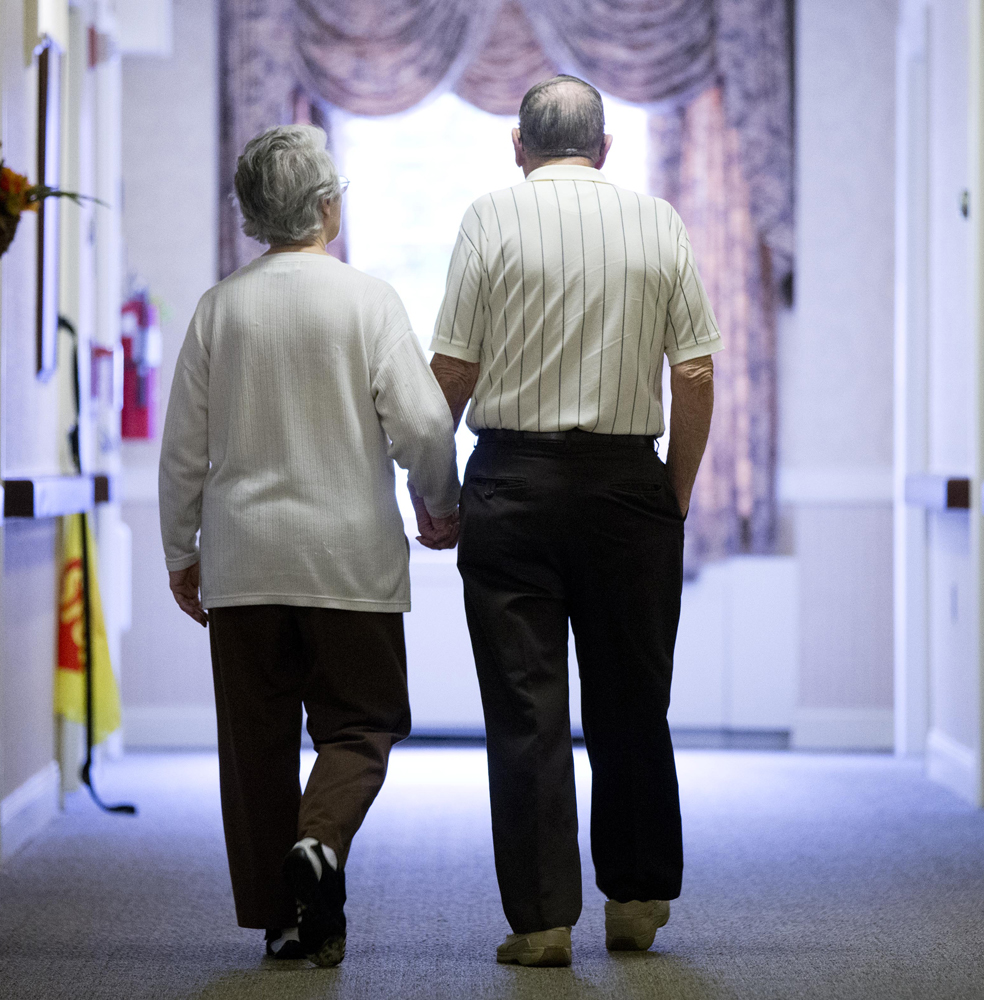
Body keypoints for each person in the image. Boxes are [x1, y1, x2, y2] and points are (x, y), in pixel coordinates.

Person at [428, 76, 720, 967]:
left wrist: (437, 493)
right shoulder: (658, 220)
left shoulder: (489, 218)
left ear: (518, 146)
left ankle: (543, 921)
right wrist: (670, 491)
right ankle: (635, 902)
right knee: (634, 699)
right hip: (628, 486)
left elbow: (450, 372)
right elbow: (698, 375)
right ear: (605, 148)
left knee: (526, 708)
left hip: (512, 483)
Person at [158, 124, 460, 968]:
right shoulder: (367, 301)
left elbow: (184, 448)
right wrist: (439, 503)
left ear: (254, 215)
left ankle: (285, 920)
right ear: (328, 206)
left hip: (246, 563)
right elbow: (425, 425)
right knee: (363, 725)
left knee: (255, 749)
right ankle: (321, 842)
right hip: (348, 562)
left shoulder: (220, 308)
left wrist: (182, 550)